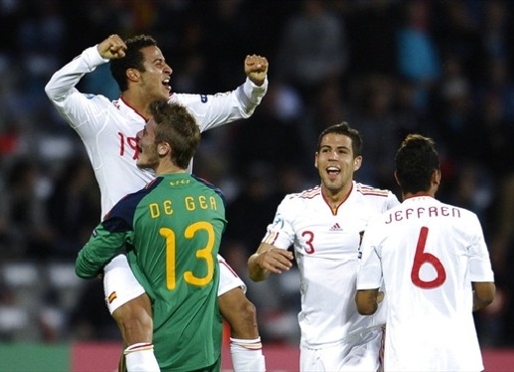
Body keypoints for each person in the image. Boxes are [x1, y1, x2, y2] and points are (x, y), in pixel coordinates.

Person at [45, 34, 267, 371]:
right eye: (158, 63)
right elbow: (56, 89)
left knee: (243, 311)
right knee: (137, 324)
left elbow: (239, 103)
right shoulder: (101, 117)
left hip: (183, 242)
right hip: (126, 245)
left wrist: (255, 82)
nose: (169, 69)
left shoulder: (181, 112)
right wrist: (95, 55)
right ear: (133, 74)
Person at [76, 100, 225, 371]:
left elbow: (84, 264)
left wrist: (128, 251)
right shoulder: (215, 199)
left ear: (164, 148)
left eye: (145, 133)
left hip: (158, 354)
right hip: (206, 352)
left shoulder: (133, 207)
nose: (138, 138)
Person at [247, 122, 400, 371]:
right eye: (326, 150)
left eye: (342, 151)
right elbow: (255, 269)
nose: (333, 156)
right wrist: (261, 262)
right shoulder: (294, 206)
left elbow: (406, 258)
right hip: (314, 343)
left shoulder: (382, 203)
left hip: (364, 338)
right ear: (316, 159)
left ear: (357, 162)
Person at [355, 133, 496, 371]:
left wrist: (402, 299)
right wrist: (452, 302)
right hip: (461, 359)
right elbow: (486, 294)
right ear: (436, 176)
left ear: (398, 177)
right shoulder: (467, 221)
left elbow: (365, 304)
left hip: (406, 360)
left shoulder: (378, 227)